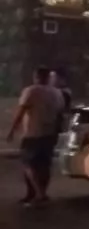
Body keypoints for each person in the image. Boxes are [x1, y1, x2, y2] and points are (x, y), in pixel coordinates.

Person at [7, 67, 65, 207]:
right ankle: (37, 193)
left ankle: (39, 194)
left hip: (32, 133)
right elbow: (60, 114)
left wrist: (12, 131)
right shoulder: (57, 93)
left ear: (36, 77)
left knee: (28, 163)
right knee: (44, 165)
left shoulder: (31, 91)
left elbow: (21, 111)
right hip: (49, 133)